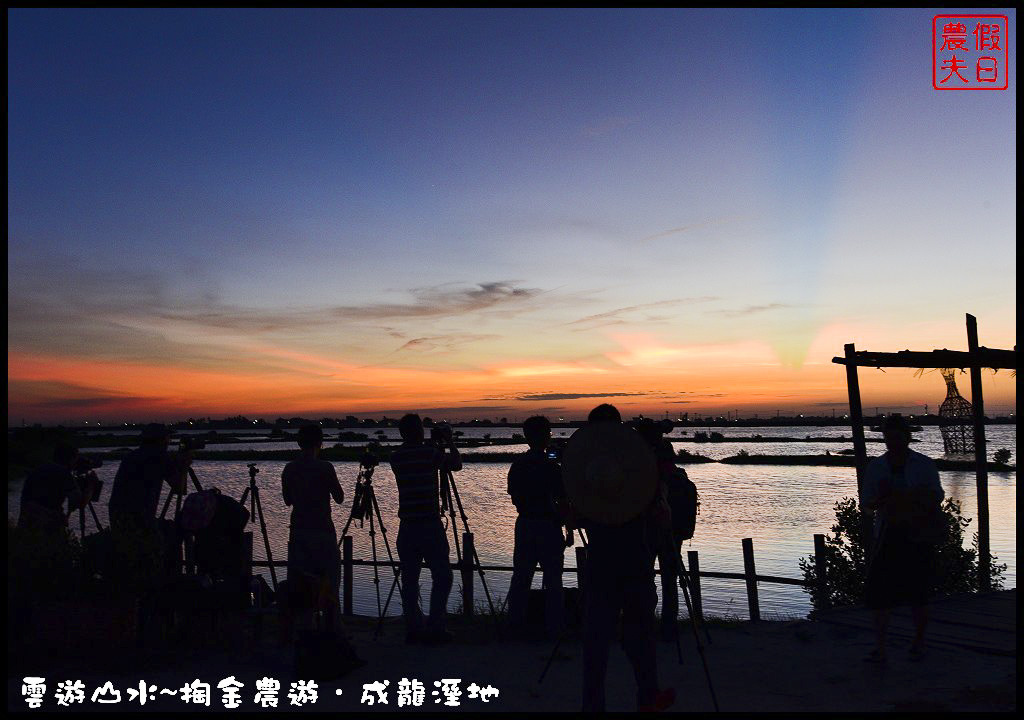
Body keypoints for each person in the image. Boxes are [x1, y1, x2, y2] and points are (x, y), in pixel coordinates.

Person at [567, 404, 675, 712]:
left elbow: (574, 517)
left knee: (597, 639)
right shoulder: (636, 467)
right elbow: (660, 516)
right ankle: (648, 696)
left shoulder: (587, 469)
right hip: (634, 560)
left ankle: (594, 704)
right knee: (638, 635)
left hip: (601, 562)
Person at [862, 413, 944, 662]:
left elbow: (937, 496)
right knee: (879, 594)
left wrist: (911, 496)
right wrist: (882, 501)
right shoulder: (876, 467)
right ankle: (881, 646)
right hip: (888, 534)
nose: (893, 440)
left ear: (907, 437)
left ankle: (919, 641)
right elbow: (866, 503)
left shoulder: (924, 464)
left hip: (918, 533)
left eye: (897, 436)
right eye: (889, 436)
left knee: (918, 593)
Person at [389, 413, 461, 645]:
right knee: (443, 575)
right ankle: (436, 627)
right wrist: (448, 441)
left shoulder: (396, 457)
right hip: (429, 524)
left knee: (410, 580)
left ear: (402, 433)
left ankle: (414, 628)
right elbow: (456, 464)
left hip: (407, 526)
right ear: (420, 431)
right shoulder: (430, 454)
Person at [506, 415, 570, 639]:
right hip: (548, 525)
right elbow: (563, 498)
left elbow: (514, 497)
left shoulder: (518, 466)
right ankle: (555, 628)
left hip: (524, 524)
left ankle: (515, 626)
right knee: (553, 580)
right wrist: (568, 527)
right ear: (545, 436)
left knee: (521, 577)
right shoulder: (550, 467)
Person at [281, 424, 345, 633]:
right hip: (323, 530)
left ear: (299, 443)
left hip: (298, 531)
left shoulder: (289, 469)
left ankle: (304, 630)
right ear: (320, 443)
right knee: (331, 582)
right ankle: (333, 630)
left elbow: (288, 500)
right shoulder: (325, 468)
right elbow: (340, 498)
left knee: (301, 585)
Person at [634, 419, 690, 642]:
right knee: (669, 578)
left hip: (650, 527)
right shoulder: (666, 458)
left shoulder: (641, 458)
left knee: (645, 577)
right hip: (671, 528)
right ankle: (668, 625)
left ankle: (646, 623)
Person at [107, 423, 190, 532]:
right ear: (161, 440)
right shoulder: (160, 457)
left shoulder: (131, 457)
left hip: (118, 519)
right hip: (140, 521)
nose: (169, 442)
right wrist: (184, 466)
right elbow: (179, 488)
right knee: (176, 532)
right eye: (167, 438)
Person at [18, 441, 86, 536]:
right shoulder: (63, 472)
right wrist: (90, 488)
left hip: (26, 523)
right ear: (70, 459)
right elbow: (76, 500)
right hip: (47, 527)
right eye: (75, 459)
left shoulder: (37, 470)